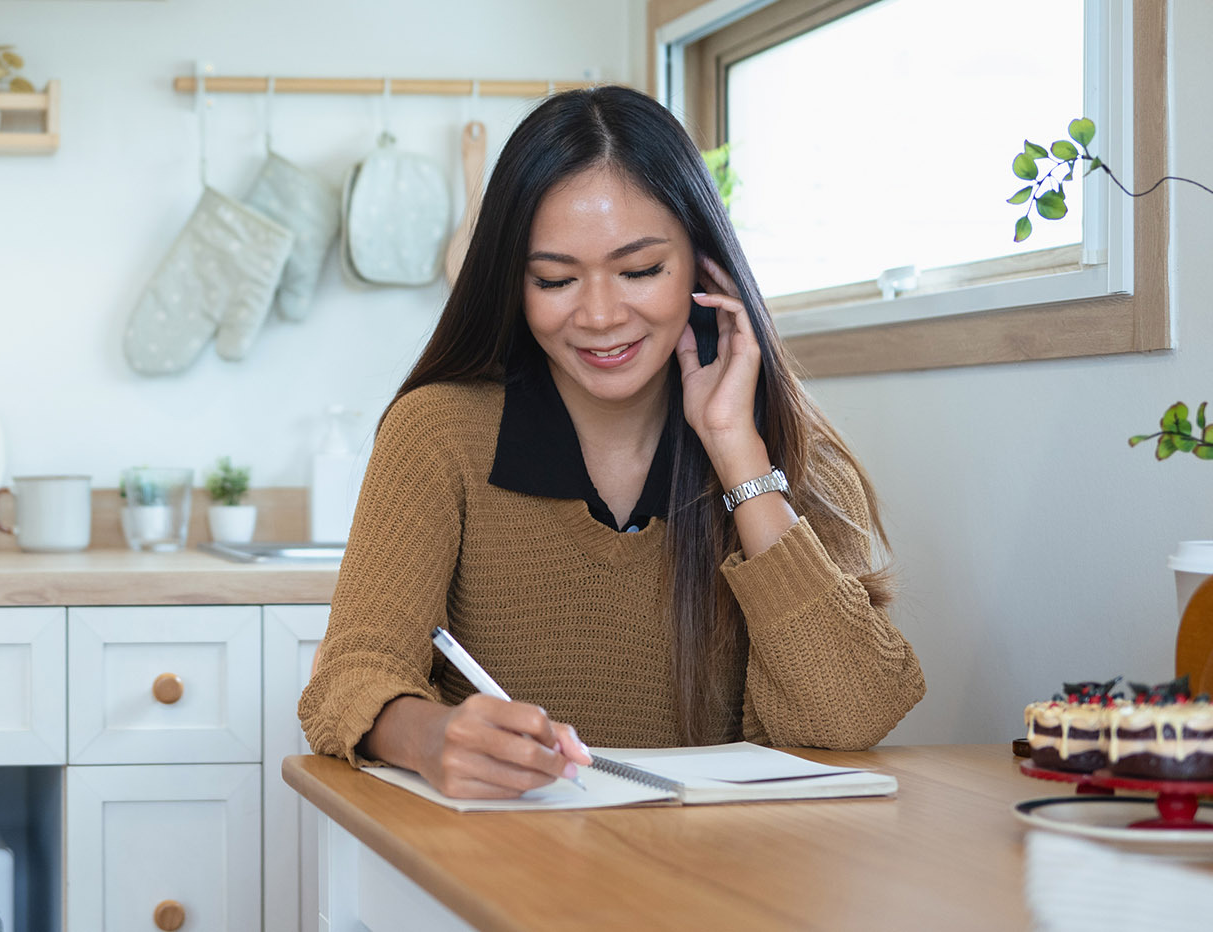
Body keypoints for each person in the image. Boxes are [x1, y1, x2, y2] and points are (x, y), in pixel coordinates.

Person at [298, 86, 925, 799]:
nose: (599, 315)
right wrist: (431, 735)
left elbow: (849, 718)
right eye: (556, 279)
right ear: (514, 283)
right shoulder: (439, 432)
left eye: (640, 271)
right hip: (501, 865)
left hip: (718, 879)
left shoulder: (788, 457)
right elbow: (346, 677)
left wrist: (737, 454)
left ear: (704, 268)